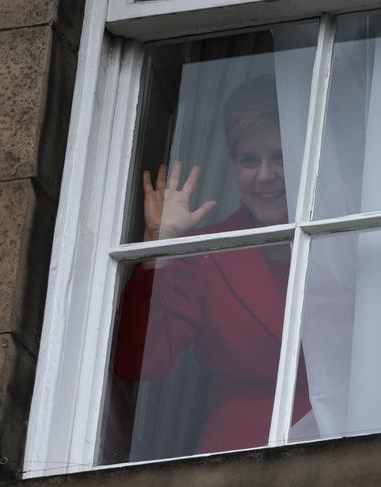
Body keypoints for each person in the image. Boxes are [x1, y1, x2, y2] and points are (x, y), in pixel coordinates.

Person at [114, 75, 310, 456]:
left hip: (349, 442)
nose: (265, 175)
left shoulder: (347, 238)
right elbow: (141, 362)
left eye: (281, 157)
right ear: (234, 165)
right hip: (240, 452)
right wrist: (160, 248)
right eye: (249, 160)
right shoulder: (209, 255)